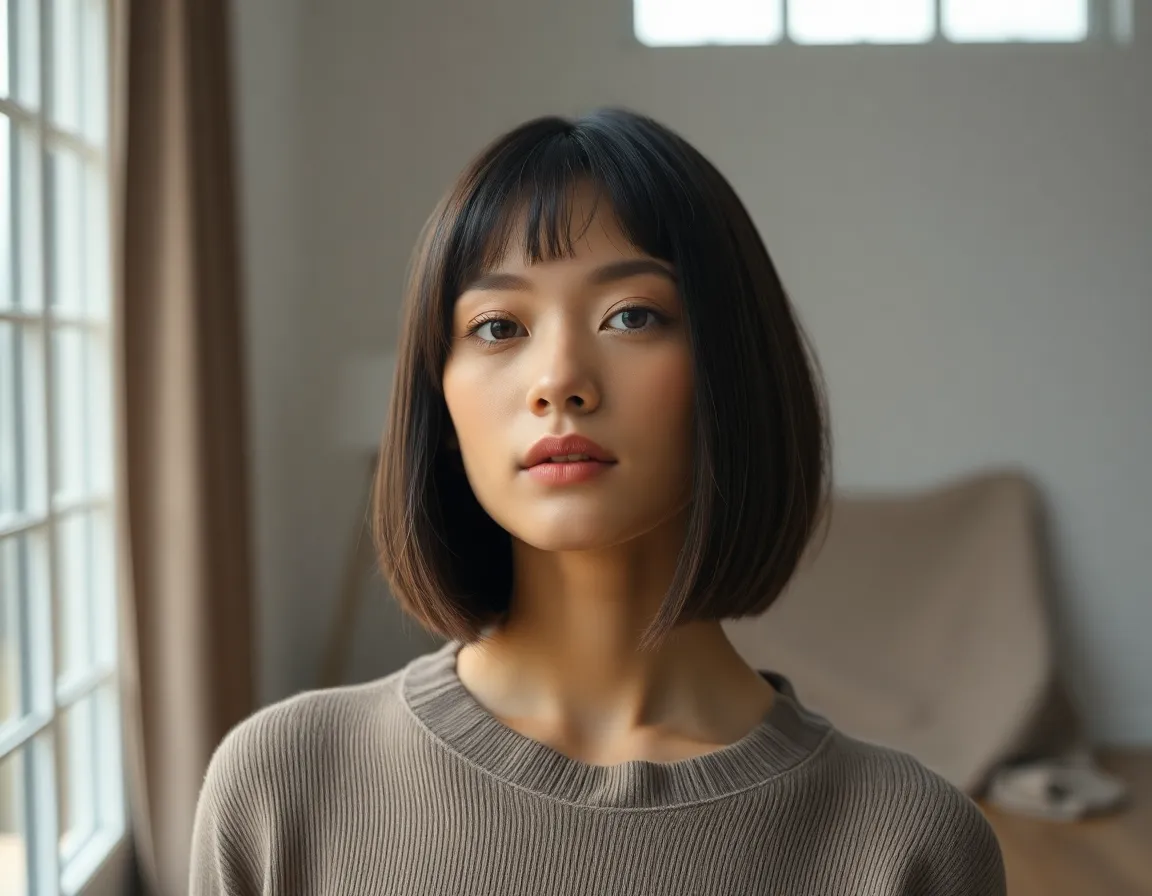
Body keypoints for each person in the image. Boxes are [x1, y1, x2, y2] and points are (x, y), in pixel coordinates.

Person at [190, 107, 1007, 895]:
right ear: (440, 409)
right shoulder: (281, 786)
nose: (558, 381)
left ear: (734, 374)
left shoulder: (909, 844)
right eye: (499, 327)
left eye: (631, 315)